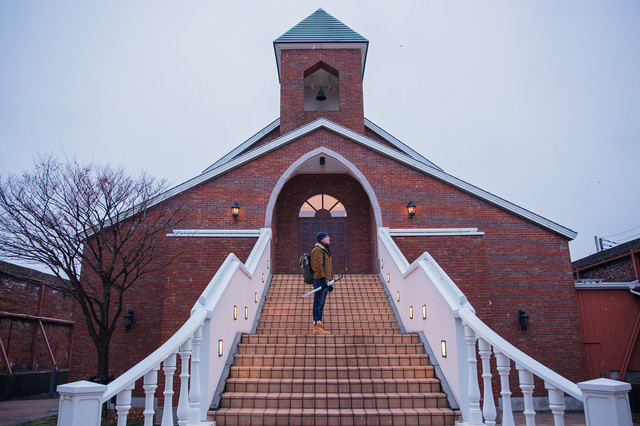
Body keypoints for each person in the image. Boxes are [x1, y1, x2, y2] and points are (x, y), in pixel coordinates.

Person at [311, 231, 333, 335]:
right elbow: (317, 266)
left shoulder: (325, 250)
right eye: (326, 237)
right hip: (319, 280)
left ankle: (319, 325)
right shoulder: (317, 250)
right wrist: (322, 279)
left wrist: (330, 282)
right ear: (321, 239)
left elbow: (327, 268)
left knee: (321, 304)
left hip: (325, 281)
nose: (329, 238)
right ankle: (316, 326)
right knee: (318, 303)